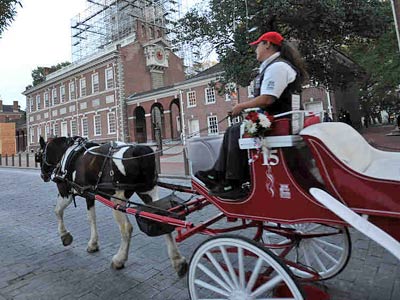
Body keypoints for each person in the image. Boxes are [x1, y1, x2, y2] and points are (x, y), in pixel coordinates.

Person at [195, 31, 308, 199]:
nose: (255, 49)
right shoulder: (275, 66)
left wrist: (241, 106)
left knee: (235, 132)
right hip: (278, 118)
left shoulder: (278, 67)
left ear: (267, 44)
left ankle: (234, 182)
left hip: (280, 121)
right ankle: (218, 174)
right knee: (234, 129)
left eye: (258, 45)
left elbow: (268, 99)